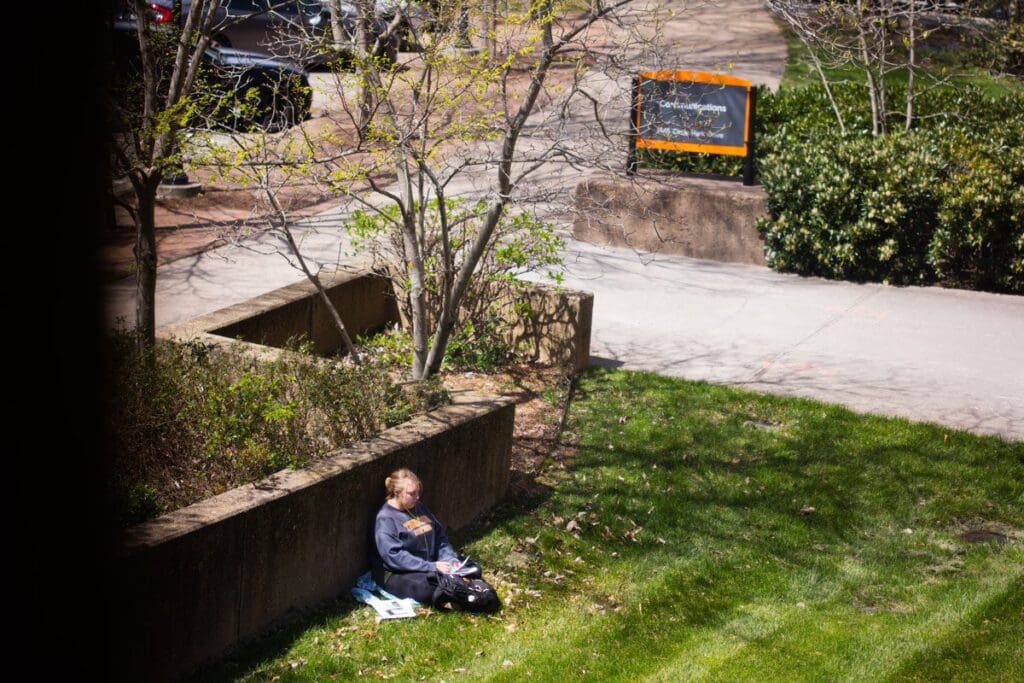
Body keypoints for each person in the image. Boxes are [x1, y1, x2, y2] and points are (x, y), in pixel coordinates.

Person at [370, 468, 465, 604]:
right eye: (412, 494)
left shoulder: (419, 507)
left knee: (470, 569)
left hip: (428, 565)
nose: (417, 497)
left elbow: (440, 537)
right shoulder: (385, 518)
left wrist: (449, 559)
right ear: (397, 493)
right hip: (396, 572)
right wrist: (431, 566)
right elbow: (394, 556)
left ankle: (456, 589)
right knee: (427, 588)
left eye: (418, 492)